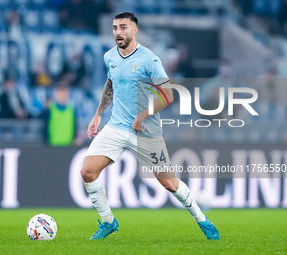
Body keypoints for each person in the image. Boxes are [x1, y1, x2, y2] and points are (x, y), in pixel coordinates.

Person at [80, 12, 220, 240]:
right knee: (87, 171)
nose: (118, 32)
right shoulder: (110, 57)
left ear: (134, 30)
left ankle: (202, 219)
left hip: (145, 131)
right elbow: (110, 85)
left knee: (170, 183)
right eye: (115, 27)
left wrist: (142, 116)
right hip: (116, 126)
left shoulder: (149, 59)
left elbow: (168, 96)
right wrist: (97, 116)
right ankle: (108, 222)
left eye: (123, 27)